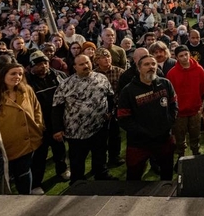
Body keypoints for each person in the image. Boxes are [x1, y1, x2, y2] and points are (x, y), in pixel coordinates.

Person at [51, 54, 117, 184]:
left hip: (99, 125)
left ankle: (101, 174)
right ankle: (77, 180)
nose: (86, 66)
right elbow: (56, 107)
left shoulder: (101, 78)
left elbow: (110, 96)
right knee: (77, 158)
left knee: (100, 153)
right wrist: (57, 129)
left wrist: (109, 112)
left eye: (87, 62)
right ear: (75, 67)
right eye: (81, 64)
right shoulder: (66, 84)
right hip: (76, 130)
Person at [0, 62, 44, 194]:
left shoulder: (26, 90)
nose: (17, 76)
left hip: (27, 143)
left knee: (24, 172)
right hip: (4, 146)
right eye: (13, 73)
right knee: (6, 177)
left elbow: (37, 109)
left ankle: (25, 199)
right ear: (3, 75)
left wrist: (38, 126)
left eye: (20, 74)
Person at [117, 54, 178, 180]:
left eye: (153, 64)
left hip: (164, 139)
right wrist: (144, 132)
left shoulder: (166, 84)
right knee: (134, 175)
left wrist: (168, 123)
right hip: (139, 143)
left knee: (167, 174)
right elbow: (123, 118)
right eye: (146, 64)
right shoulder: (128, 91)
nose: (151, 67)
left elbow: (174, 106)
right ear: (139, 68)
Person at [25, 50, 69, 189]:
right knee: (39, 156)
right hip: (40, 124)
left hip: (58, 122)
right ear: (31, 67)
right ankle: (36, 183)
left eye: (45, 63)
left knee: (60, 149)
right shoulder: (26, 82)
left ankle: (62, 170)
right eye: (38, 64)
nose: (43, 66)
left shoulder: (58, 75)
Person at [166, 44, 204, 161]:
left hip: (194, 109)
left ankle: (196, 154)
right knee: (180, 136)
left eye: (186, 55)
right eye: (181, 56)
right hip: (179, 112)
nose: (184, 57)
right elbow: (170, 92)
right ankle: (181, 156)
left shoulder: (199, 69)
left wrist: (196, 100)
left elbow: (203, 86)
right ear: (176, 57)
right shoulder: (172, 73)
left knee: (195, 134)